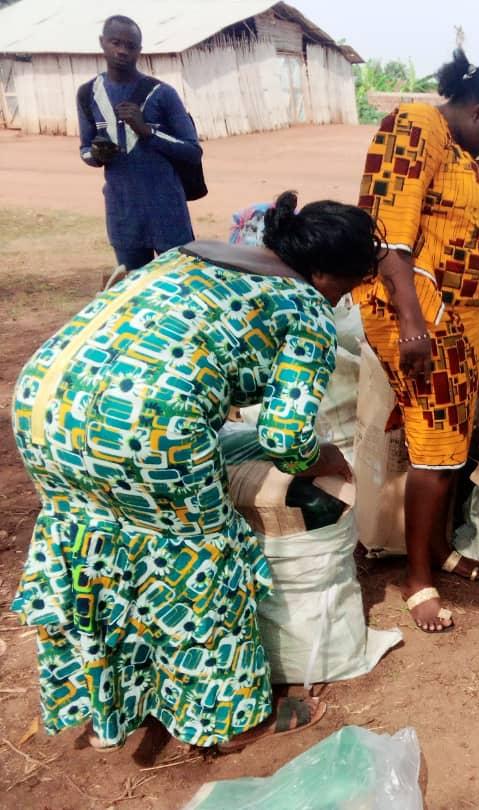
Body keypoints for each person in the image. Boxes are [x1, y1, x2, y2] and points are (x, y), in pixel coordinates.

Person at [11, 191, 380, 752]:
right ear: (324, 271)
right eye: (345, 288)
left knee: (100, 543)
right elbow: (287, 437)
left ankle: (124, 697)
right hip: (144, 429)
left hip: (44, 404)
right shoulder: (303, 307)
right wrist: (322, 458)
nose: (339, 302)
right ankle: (229, 722)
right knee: (199, 562)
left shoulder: (191, 254)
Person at [354, 49, 479, 632]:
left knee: (454, 444)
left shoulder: (464, 154)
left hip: (457, 317)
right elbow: (386, 240)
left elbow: (468, 248)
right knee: (433, 450)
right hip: (418, 314)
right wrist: (410, 324)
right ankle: (416, 578)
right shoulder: (413, 127)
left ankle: (442, 548)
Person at [78, 15, 201, 272]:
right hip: (123, 213)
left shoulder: (162, 93)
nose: (122, 51)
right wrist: (98, 155)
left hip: (168, 211)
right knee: (134, 291)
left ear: (139, 50)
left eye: (130, 45)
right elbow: (85, 150)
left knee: (180, 287)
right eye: (115, 42)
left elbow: (193, 150)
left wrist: (146, 132)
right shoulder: (88, 94)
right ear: (102, 43)